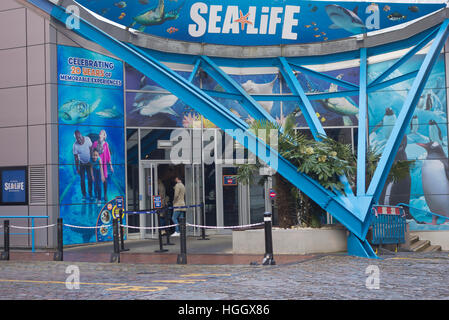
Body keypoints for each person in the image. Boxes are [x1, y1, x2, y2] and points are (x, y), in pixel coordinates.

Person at [92, 130, 114, 202]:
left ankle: (105, 194)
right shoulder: (95, 143)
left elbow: (108, 155)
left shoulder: (106, 144)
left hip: (103, 165)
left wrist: (111, 166)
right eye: (100, 133)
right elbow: (92, 153)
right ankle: (96, 195)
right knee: (96, 181)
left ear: (104, 136)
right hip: (96, 165)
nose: (100, 134)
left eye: (102, 133)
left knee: (105, 180)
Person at [73, 130, 93, 201]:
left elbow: (91, 148)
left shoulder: (87, 139)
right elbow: (76, 158)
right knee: (82, 180)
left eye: (79, 137)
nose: (79, 139)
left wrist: (92, 159)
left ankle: (90, 194)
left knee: (90, 179)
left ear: (81, 135)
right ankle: (84, 195)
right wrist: (77, 168)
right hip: (81, 164)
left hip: (88, 163)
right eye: (77, 138)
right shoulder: (75, 145)